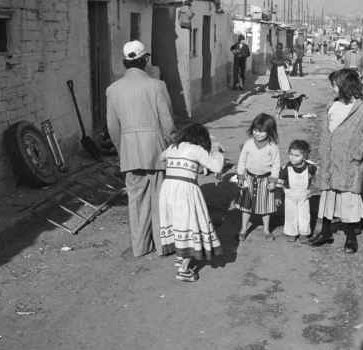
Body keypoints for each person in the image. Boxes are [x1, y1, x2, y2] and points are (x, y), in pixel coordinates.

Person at [106, 40, 175, 257]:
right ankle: (163, 245)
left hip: (130, 152)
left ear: (125, 62)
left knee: (136, 201)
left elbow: (112, 127)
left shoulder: (113, 90)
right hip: (156, 150)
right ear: (145, 60)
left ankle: (140, 246)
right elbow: (168, 123)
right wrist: (172, 145)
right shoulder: (157, 86)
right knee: (159, 198)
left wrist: (122, 150)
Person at [308, 69, 363, 253]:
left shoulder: (360, 109)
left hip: (348, 165)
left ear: (344, 86)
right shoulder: (332, 105)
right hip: (329, 161)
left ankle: (350, 238)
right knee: (327, 197)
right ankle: (325, 232)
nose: (332, 88)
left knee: (347, 201)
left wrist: (359, 150)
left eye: (335, 85)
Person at [158, 123, 224, 282]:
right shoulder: (197, 149)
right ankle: (183, 270)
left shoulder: (174, 147)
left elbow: (161, 158)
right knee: (190, 224)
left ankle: (180, 257)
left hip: (168, 188)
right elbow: (217, 166)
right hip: (185, 190)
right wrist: (216, 152)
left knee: (176, 223)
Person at [236, 113, 281, 242]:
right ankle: (243, 230)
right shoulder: (248, 143)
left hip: (265, 181)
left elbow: (276, 165)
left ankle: (266, 230)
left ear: (270, 132)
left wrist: (273, 181)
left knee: (265, 207)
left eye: (262, 132)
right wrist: (240, 176)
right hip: (249, 179)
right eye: (255, 130)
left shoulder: (273, 147)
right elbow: (242, 160)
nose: (258, 134)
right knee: (246, 206)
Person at [277, 140, 317, 243]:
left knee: (304, 215)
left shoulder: (311, 167)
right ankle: (292, 233)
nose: (292, 158)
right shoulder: (286, 168)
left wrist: (313, 188)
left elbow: (317, 179)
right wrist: (277, 195)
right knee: (291, 214)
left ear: (304, 156)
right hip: (290, 196)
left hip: (304, 195)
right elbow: (280, 182)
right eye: (291, 154)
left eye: (296, 155)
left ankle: (304, 233)